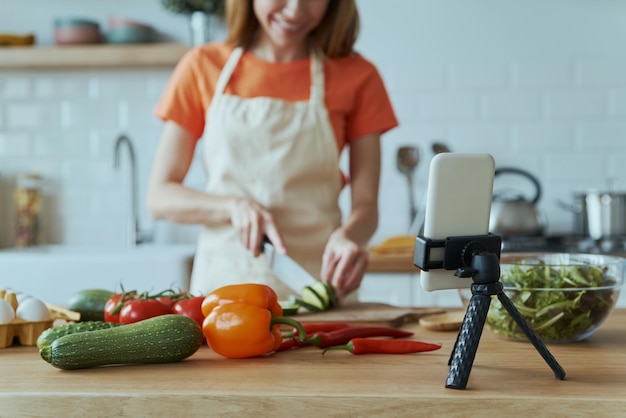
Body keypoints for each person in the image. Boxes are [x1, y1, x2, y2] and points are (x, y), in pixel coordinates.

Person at [147, 0, 398, 302]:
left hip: (319, 287)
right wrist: (233, 206)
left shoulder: (359, 76)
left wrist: (350, 236)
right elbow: (159, 197)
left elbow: (367, 208)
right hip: (223, 293)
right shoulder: (202, 65)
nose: (295, 11)